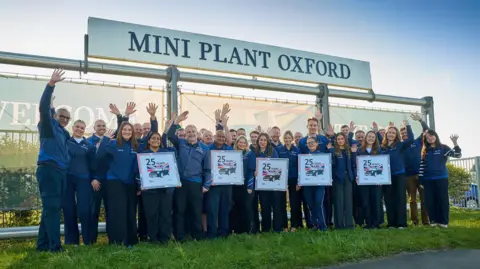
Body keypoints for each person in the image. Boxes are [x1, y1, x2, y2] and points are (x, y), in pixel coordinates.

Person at [35, 69, 70, 253]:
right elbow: (43, 109)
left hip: (60, 172)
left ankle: (42, 245)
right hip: (49, 169)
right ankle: (55, 247)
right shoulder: (48, 127)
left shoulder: (64, 133)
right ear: (54, 116)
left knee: (50, 209)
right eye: (61, 116)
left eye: (67, 117)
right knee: (53, 209)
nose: (64, 119)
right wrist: (51, 85)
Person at [167, 111, 211, 241]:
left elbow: (208, 168)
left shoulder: (204, 148)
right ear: (185, 134)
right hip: (181, 183)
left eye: (193, 131)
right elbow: (169, 135)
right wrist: (176, 122)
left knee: (196, 211)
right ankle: (180, 236)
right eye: (188, 131)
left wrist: (206, 185)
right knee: (180, 210)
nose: (191, 133)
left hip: (196, 183)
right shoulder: (180, 143)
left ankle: (197, 235)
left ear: (197, 134)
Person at [97, 122, 139, 247]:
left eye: (129, 130)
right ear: (120, 131)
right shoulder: (113, 143)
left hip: (130, 183)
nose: (127, 132)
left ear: (132, 133)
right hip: (115, 181)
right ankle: (117, 240)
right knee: (117, 211)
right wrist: (105, 139)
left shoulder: (135, 146)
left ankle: (131, 240)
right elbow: (99, 155)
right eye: (124, 130)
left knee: (130, 211)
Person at [63, 119, 96, 246]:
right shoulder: (66, 142)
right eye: (77, 127)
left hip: (84, 180)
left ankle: (87, 241)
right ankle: (72, 241)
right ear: (73, 128)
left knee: (84, 210)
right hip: (68, 179)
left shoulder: (89, 145)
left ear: (84, 130)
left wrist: (93, 178)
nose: (79, 129)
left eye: (82, 128)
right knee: (69, 210)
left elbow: (93, 165)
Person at [419, 131, 461, 228]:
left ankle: (443, 221)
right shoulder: (425, 150)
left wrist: (455, 143)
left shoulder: (443, 147)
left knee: (442, 200)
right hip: (427, 180)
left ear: (435, 136)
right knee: (430, 201)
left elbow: (457, 155)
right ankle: (433, 220)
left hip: (441, 178)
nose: (430, 138)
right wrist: (421, 180)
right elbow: (422, 166)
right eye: (427, 137)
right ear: (425, 139)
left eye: (431, 135)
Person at [140, 130, 176, 243]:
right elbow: (137, 171)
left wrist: (175, 181)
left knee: (165, 214)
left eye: (158, 139)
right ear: (149, 141)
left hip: (165, 190)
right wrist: (139, 185)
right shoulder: (143, 154)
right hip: (149, 191)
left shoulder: (166, 153)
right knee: (152, 214)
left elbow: (172, 169)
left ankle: (165, 237)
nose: (156, 140)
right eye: (153, 138)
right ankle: (153, 238)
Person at [380, 120, 414, 229]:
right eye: (389, 132)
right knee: (389, 200)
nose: (391, 134)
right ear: (386, 134)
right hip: (387, 177)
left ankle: (401, 223)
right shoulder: (382, 147)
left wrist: (408, 125)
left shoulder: (400, 145)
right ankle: (391, 223)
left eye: (393, 133)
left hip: (399, 175)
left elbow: (411, 139)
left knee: (400, 199)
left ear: (396, 135)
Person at [249, 133, 283, 232]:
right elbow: (251, 168)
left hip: (273, 183)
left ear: (267, 141)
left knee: (276, 206)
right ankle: (266, 228)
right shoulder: (253, 153)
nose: (262, 142)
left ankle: (277, 228)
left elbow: (277, 166)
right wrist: (254, 172)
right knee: (264, 206)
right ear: (258, 141)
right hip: (261, 185)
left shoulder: (273, 151)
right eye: (261, 140)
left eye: (264, 140)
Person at [206, 126, 233, 239]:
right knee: (212, 209)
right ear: (214, 137)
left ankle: (223, 232)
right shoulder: (208, 148)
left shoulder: (229, 149)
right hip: (213, 185)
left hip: (227, 184)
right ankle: (212, 233)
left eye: (223, 136)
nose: (221, 138)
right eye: (219, 136)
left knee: (225, 208)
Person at [403, 113, 430, 226]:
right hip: (408, 176)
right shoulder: (401, 145)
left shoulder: (418, 141)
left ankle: (426, 221)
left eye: (406, 132)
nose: (405, 134)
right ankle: (414, 222)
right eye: (402, 133)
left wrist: (420, 121)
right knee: (412, 200)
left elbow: (426, 131)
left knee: (424, 199)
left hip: (421, 175)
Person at [329, 133, 357, 229]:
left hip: (348, 178)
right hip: (337, 179)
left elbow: (354, 163)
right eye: (338, 139)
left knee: (348, 202)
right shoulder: (334, 150)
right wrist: (331, 151)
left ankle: (349, 224)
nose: (340, 140)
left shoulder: (348, 150)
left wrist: (354, 153)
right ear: (336, 141)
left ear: (345, 140)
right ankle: (339, 225)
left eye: (342, 139)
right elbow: (332, 164)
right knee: (338, 202)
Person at [357, 131, 383, 229]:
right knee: (365, 202)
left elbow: (382, 165)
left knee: (376, 201)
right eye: (369, 136)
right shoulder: (360, 150)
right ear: (366, 138)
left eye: (373, 137)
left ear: (375, 139)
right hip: (364, 181)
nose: (371, 138)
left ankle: (376, 223)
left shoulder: (379, 150)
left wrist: (382, 179)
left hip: (376, 181)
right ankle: (368, 223)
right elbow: (356, 165)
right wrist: (357, 175)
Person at [276, 131, 301, 232]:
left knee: (294, 203)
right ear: (283, 139)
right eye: (285, 138)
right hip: (282, 180)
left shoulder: (297, 150)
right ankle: (285, 226)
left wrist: (299, 181)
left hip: (294, 179)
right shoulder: (278, 150)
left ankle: (294, 225)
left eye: (289, 138)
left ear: (292, 139)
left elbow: (300, 166)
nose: (287, 140)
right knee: (282, 203)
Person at [230, 136, 255, 233]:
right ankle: (237, 229)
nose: (242, 144)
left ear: (246, 144)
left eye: (244, 143)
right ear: (237, 143)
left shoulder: (249, 154)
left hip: (245, 185)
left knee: (246, 206)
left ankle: (249, 229)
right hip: (235, 185)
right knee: (236, 206)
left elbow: (251, 171)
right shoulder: (232, 154)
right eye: (240, 142)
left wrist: (250, 186)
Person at [302, 137, 328, 231]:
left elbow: (327, 168)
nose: (310, 144)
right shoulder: (304, 157)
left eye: (312, 142)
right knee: (311, 205)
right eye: (308, 143)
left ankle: (323, 226)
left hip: (319, 185)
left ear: (317, 144)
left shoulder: (322, 155)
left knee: (318, 203)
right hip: (308, 185)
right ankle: (315, 225)